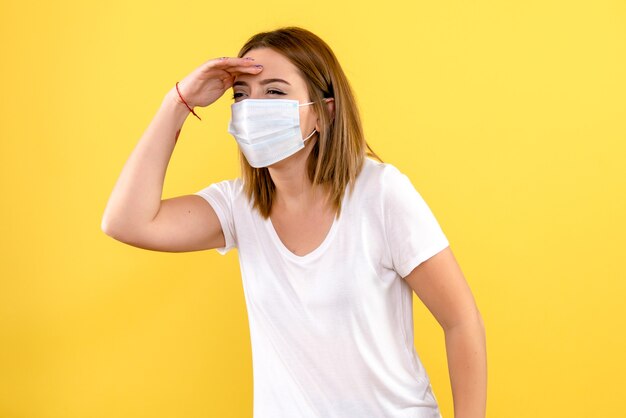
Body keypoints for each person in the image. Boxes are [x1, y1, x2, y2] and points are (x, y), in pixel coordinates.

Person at [101, 26, 487, 418]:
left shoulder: (381, 193)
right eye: (241, 95)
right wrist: (177, 102)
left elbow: (461, 320)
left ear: (323, 111)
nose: (252, 107)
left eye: (274, 91)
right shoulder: (239, 206)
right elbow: (126, 222)